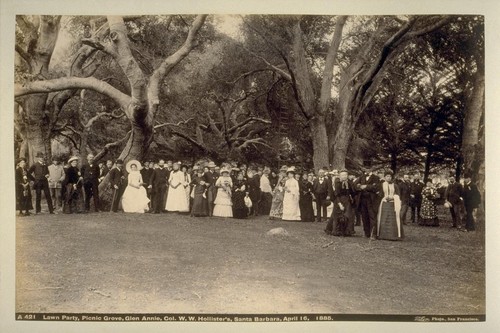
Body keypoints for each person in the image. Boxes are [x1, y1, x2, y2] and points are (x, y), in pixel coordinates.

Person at [326, 169, 356, 236]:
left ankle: (347, 231)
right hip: (339, 200)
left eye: (345, 175)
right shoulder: (338, 183)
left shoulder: (349, 183)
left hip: (347, 201)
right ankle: (336, 231)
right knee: (336, 216)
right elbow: (337, 194)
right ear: (340, 176)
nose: (344, 176)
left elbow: (352, 192)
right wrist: (340, 204)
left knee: (348, 215)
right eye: (343, 175)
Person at [376, 171, 404, 241]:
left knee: (393, 218)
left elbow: (398, 194)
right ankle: (383, 235)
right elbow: (380, 194)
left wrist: (393, 197)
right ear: (384, 177)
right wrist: (379, 195)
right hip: (384, 203)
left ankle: (394, 236)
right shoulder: (381, 185)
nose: (389, 178)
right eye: (387, 176)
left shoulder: (395, 185)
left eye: (390, 176)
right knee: (384, 218)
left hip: (392, 203)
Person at [355, 168, 380, 239]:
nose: (367, 170)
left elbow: (376, 187)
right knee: (364, 216)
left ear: (371, 169)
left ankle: (373, 234)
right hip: (362, 200)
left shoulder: (376, 178)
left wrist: (366, 186)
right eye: (366, 168)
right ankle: (367, 233)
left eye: (369, 168)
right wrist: (359, 186)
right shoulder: (361, 177)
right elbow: (355, 185)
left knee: (372, 216)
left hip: (371, 200)